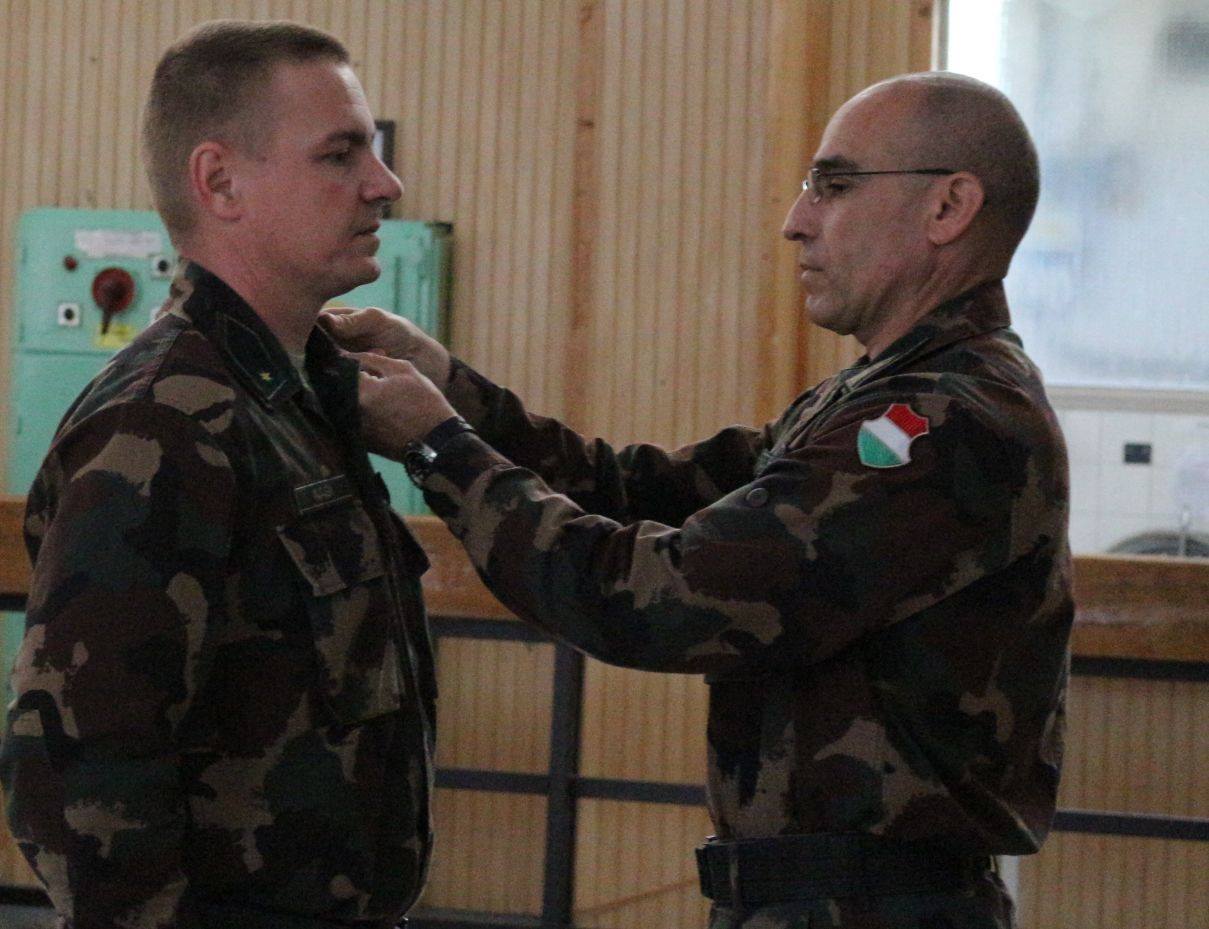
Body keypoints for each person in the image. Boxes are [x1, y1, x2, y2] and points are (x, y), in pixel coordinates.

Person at [330, 72, 1072, 929]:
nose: (796, 220)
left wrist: (438, 447)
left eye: (833, 186)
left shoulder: (946, 423)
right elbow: (640, 491)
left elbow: (659, 596)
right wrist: (452, 390)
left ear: (947, 207)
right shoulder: (877, 397)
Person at [0, 20, 435, 929]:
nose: (384, 184)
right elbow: (81, 778)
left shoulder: (286, 400)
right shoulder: (162, 421)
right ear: (221, 182)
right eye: (339, 154)